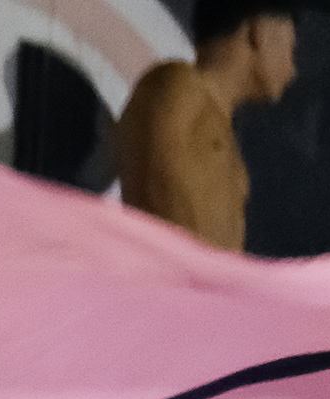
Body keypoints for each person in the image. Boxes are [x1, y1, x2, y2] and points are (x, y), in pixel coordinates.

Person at [118, 1, 296, 252]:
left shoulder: (208, 113)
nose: (292, 70)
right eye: (292, 47)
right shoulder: (179, 88)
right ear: (260, 31)